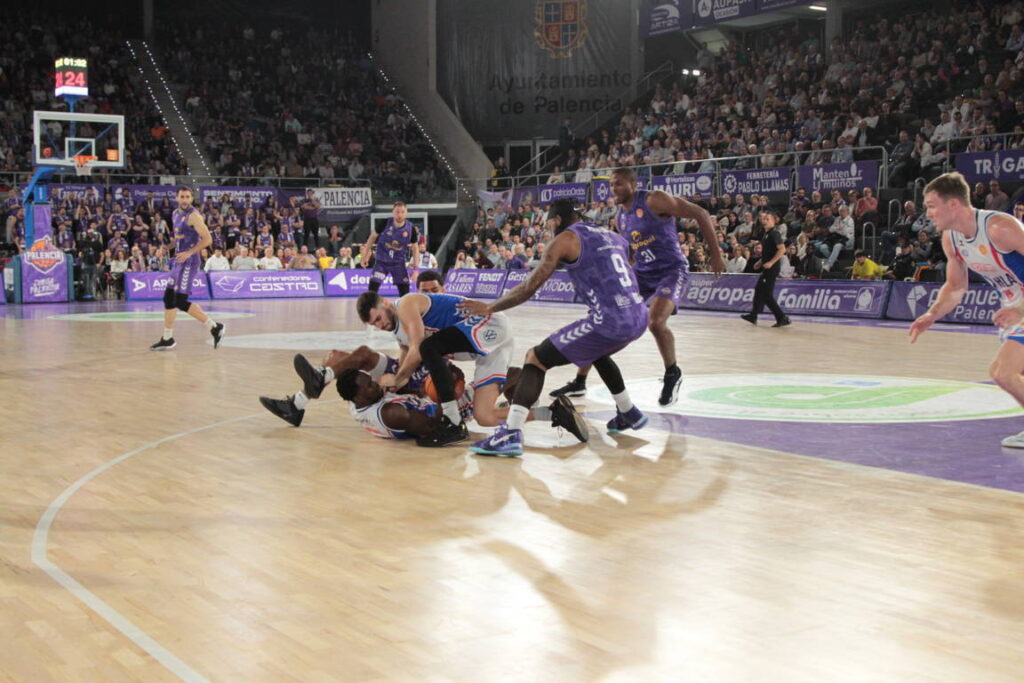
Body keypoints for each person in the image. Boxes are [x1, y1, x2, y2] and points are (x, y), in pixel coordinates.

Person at [460, 199, 649, 457]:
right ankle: (628, 412)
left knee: (535, 358)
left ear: (557, 220)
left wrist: (491, 307)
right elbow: (631, 259)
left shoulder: (565, 240)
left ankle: (510, 433)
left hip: (610, 320)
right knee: (594, 349)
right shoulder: (611, 234)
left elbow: (529, 286)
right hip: (639, 314)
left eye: (549, 223)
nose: (548, 229)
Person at [548, 167, 725, 406]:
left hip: (671, 270)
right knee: (603, 319)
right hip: (642, 272)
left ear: (633, 183)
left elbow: (701, 213)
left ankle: (672, 372)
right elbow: (632, 251)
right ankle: (580, 381)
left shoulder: (655, 199)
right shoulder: (620, 217)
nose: (614, 189)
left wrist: (715, 254)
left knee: (656, 322)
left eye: (619, 183)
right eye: (611, 185)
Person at [909, 172, 1024, 448]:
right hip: (1013, 307)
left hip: (1020, 306)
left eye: (931, 205)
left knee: (1002, 371)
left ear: (953, 205)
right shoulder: (951, 239)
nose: (928, 213)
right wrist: (932, 314)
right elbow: (956, 286)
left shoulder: (1000, 228)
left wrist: (1020, 308)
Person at [355, 289, 514, 447]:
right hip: (488, 345)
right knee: (484, 416)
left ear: (385, 303)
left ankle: (452, 421)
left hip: (487, 323)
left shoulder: (405, 304)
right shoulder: (398, 332)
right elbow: (406, 357)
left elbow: (417, 349)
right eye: (374, 324)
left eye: (378, 319)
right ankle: (529, 405)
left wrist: (396, 379)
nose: (379, 325)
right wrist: (396, 383)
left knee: (428, 347)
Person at [149, 187, 224, 351]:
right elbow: (179, 240)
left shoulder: (194, 216)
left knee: (180, 301)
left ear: (191, 199)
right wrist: (166, 249)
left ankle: (215, 326)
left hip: (189, 262)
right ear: (177, 198)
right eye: (182, 197)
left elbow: (208, 239)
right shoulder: (175, 214)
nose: (184, 199)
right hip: (178, 260)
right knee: (168, 298)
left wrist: (189, 252)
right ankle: (167, 338)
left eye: (187, 197)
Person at [741, 211, 790, 327]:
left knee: (767, 295)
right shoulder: (766, 234)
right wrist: (760, 261)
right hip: (767, 266)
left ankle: (782, 317)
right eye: (764, 219)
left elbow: (782, 250)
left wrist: (771, 262)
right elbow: (768, 252)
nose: (765, 220)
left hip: (772, 268)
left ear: (774, 221)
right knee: (758, 290)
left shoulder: (774, 233)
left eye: (768, 219)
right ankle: (753, 315)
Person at [361, 201, 419, 296]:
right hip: (381, 262)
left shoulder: (410, 228)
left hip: (398, 263)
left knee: (405, 293)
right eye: (397, 212)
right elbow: (372, 237)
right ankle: (369, 309)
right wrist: (365, 256)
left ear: (406, 213)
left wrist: (416, 269)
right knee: (372, 290)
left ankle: (404, 310)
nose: (399, 215)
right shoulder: (385, 223)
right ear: (393, 212)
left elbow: (415, 248)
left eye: (402, 212)